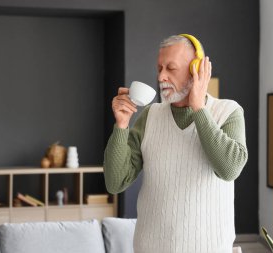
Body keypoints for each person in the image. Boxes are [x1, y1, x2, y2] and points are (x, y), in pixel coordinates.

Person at [103, 34, 248, 253]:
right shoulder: (150, 115)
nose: (161, 76)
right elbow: (115, 182)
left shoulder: (228, 112)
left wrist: (199, 108)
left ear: (197, 70)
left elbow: (229, 168)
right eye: (159, 68)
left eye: (171, 68)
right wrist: (121, 126)